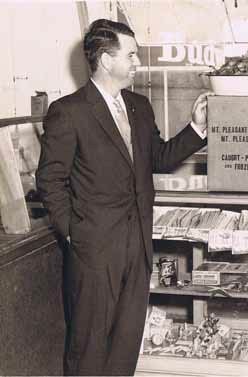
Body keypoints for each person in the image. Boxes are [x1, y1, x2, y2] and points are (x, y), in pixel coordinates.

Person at [36, 19, 211, 376]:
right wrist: (74, 234)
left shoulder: (139, 106)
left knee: (125, 348)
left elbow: (158, 157)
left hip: (138, 248)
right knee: (88, 351)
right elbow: (49, 181)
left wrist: (196, 128)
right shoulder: (69, 111)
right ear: (104, 59)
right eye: (131, 55)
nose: (137, 63)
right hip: (94, 252)